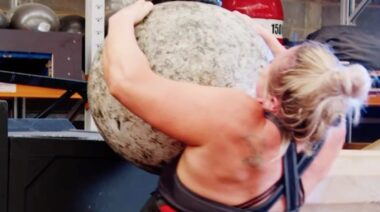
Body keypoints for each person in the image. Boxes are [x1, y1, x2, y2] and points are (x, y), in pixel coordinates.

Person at [103, 0, 372, 211]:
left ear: (271, 100)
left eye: (267, 67)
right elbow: (306, 86)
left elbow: (126, 81)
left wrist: (122, 21)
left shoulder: (236, 116)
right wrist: (264, 38)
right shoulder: (330, 130)